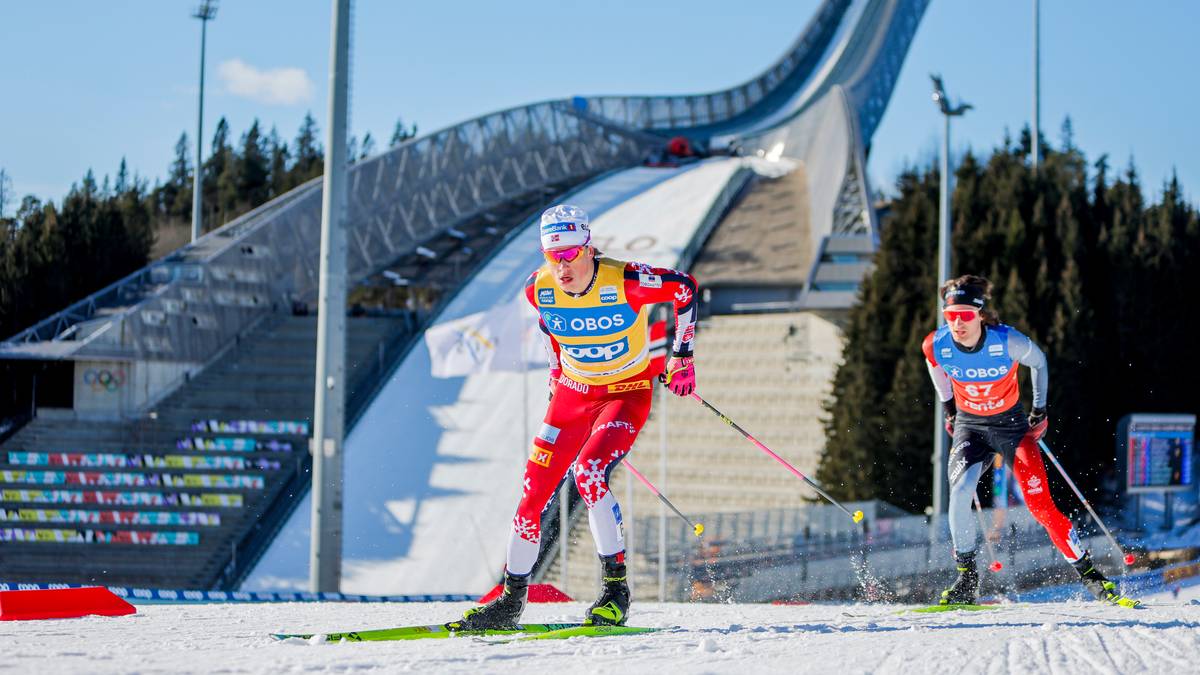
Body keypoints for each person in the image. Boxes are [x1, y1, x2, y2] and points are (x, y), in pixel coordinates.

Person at [451, 204, 700, 629]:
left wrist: (682, 356)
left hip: (624, 393)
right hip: (573, 395)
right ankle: (510, 601)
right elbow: (549, 328)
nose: (562, 265)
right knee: (532, 497)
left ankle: (614, 592)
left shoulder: (626, 280)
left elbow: (685, 289)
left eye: (569, 253)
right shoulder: (539, 288)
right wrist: (555, 373)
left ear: (588, 247)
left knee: (588, 472)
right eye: (553, 255)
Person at [922, 274, 1135, 606]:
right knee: (960, 495)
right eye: (950, 316)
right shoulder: (937, 343)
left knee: (1040, 506)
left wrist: (1039, 410)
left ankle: (1091, 576)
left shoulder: (1006, 341)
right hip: (970, 428)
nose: (957, 323)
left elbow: (1039, 362)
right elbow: (934, 366)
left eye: (965, 315)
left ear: (979, 313)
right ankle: (967, 578)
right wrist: (949, 408)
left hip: (1011, 430)